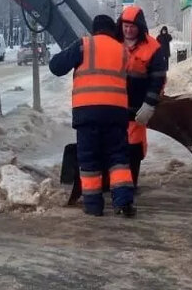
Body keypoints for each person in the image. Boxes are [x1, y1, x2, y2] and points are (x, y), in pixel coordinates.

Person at [49, 14, 136, 217]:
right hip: (116, 113)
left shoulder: (84, 45)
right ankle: (123, 202)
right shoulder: (122, 51)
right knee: (118, 159)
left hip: (87, 113)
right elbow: (129, 81)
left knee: (89, 160)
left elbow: (56, 66)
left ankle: (93, 205)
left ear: (94, 29)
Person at [117, 5, 167, 189]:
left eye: (132, 26)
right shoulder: (114, 42)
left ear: (140, 26)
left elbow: (158, 78)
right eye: (125, 26)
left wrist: (149, 104)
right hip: (114, 105)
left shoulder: (153, 48)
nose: (128, 30)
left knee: (134, 146)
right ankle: (113, 182)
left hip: (137, 108)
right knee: (114, 145)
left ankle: (130, 183)